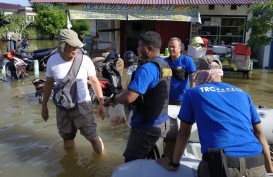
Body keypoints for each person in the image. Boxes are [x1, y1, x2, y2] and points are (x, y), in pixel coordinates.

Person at [156, 61, 273, 176]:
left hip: (220, 165)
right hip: (256, 163)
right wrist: (269, 168)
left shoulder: (193, 93)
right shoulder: (243, 93)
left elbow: (184, 133)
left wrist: (174, 164)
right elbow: (259, 133)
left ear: (200, 73)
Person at [104, 31, 172, 162]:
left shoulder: (147, 69)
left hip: (147, 127)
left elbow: (129, 97)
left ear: (149, 49)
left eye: (140, 46)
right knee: (152, 160)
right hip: (162, 122)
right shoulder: (164, 65)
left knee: (132, 162)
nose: (137, 48)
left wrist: (114, 99)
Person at [41, 29, 105, 154]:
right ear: (63, 46)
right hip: (62, 107)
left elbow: (95, 81)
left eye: (77, 46)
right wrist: (44, 106)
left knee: (92, 137)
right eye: (72, 46)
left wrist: (101, 103)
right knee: (67, 138)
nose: (76, 49)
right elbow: (48, 84)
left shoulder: (85, 60)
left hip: (82, 105)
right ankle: (71, 163)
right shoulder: (52, 61)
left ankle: (101, 161)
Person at [165, 37, 196, 105]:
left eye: (173, 47)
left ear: (180, 48)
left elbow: (193, 79)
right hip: (166, 98)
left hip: (182, 98)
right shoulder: (165, 61)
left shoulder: (187, 60)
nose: (171, 49)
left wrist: (191, 95)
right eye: (169, 46)